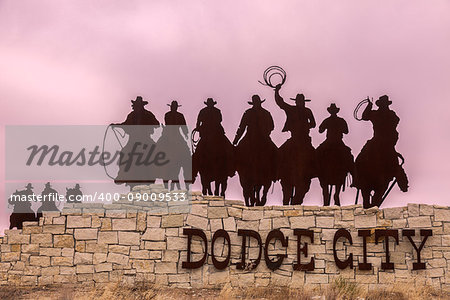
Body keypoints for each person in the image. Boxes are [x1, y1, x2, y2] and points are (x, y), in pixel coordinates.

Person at [274, 84, 317, 205]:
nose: (300, 102)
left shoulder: (308, 111)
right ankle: (276, 172)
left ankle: (315, 171)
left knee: (315, 155)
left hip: (304, 140)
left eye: (302, 101)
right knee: (279, 153)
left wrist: (306, 126)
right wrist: (276, 91)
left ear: (303, 102)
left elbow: (314, 123)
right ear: (297, 101)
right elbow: (280, 103)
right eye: (299, 101)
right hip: (294, 139)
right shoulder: (291, 109)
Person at [233, 95, 277, 206]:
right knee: (236, 153)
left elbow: (271, 126)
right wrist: (236, 139)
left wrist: (265, 131)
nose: (256, 103)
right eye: (255, 102)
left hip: (260, 137)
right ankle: (233, 169)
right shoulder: (249, 113)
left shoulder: (264, 113)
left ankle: (276, 173)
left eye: (257, 102)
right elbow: (242, 127)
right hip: (252, 137)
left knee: (277, 153)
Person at [111, 96, 161, 187]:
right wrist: (116, 125)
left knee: (156, 153)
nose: (134, 107)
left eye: (135, 105)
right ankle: (123, 174)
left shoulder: (148, 114)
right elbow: (125, 124)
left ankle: (157, 172)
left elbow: (157, 124)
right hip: (134, 139)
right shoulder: (132, 115)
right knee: (124, 152)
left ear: (140, 105)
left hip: (144, 138)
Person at [316, 103, 354, 206]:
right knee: (348, 155)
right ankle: (352, 173)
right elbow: (346, 131)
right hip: (336, 142)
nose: (333, 112)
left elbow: (320, 130)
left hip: (330, 142)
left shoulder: (328, 120)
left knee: (317, 154)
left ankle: (316, 170)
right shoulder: (340, 120)